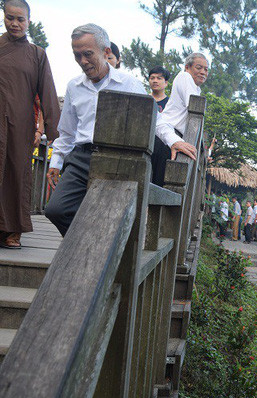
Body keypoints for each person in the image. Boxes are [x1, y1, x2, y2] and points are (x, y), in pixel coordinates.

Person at [45, 24, 191, 236]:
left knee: (110, 216)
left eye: (88, 54)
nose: (83, 62)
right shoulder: (74, 86)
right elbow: (67, 131)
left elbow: (155, 120)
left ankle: (92, 251)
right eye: (77, 56)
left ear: (106, 53)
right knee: (56, 210)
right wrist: (56, 162)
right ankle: (88, 245)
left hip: (117, 160)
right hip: (81, 157)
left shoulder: (128, 83)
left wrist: (173, 140)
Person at [0, 0, 60, 249]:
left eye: (20, 19)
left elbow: (47, 91)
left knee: (17, 172)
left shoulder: (37, 55)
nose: (15, 23)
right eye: (10, 18)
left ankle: (13, 229)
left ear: (28, 21)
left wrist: (53, 128)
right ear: (4, 17)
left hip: (19, 123)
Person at [151, 52, 205, 186]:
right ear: (187, 67)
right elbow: (193, 105)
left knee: (163, 184)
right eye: (199, 68)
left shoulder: (196, 88)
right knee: (161, 184)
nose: (203, 72)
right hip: (167, 136)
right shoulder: (184, 76)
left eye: (206, 69)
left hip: (174, 137)